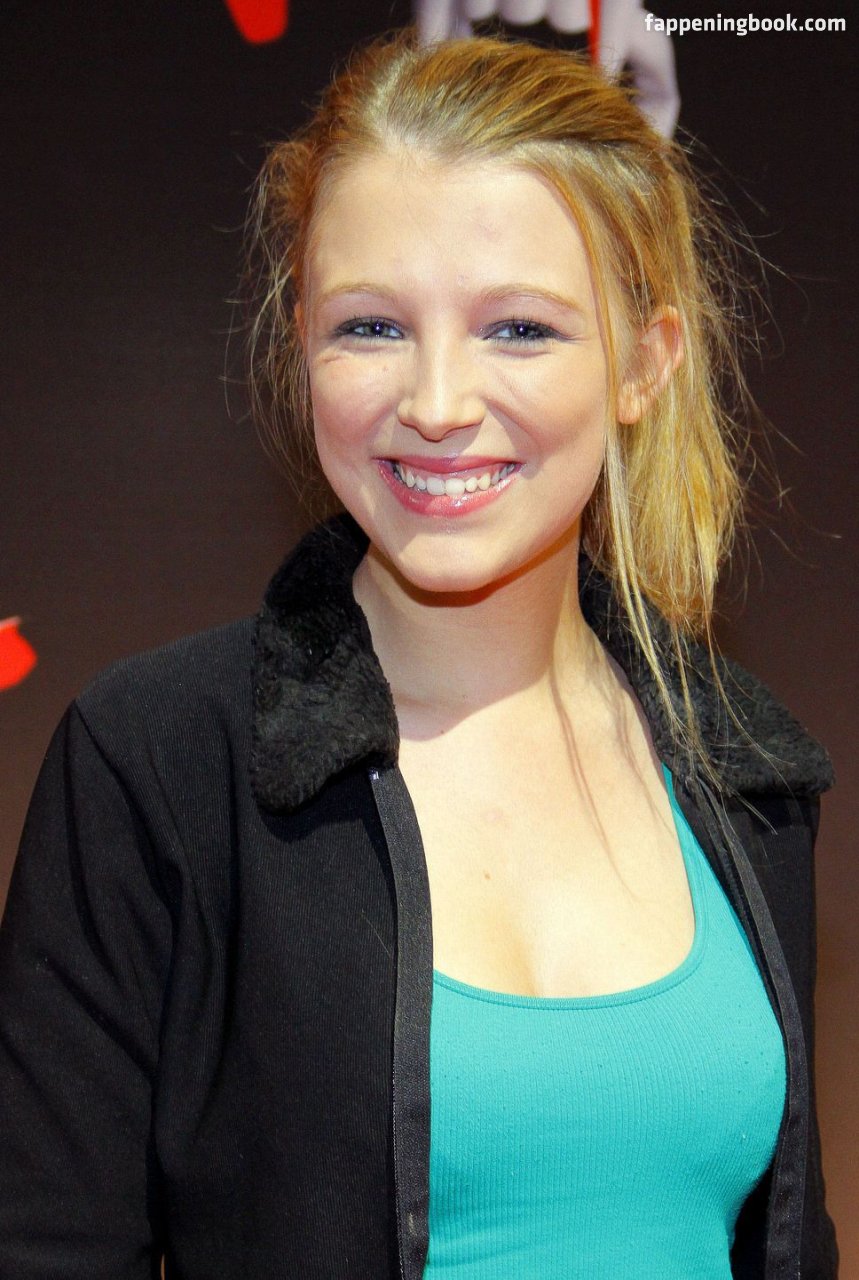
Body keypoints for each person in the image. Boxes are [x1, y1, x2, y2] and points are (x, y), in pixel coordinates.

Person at [0, 29, 838, 1280]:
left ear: (644, 361)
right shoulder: (159, 763)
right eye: (373, 325)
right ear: (301, 343)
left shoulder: (745, 767)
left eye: (519, 328)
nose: (437, 402)